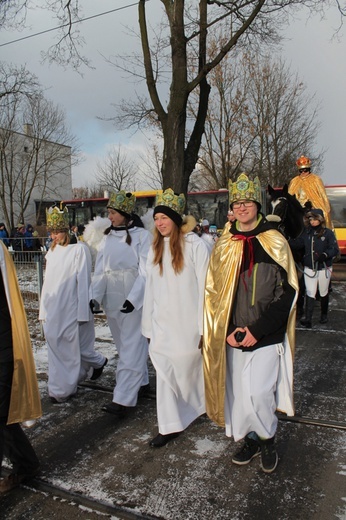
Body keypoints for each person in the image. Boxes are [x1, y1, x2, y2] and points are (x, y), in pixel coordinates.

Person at [203, 173, 299, 473]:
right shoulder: (225, 244)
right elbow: (215, 294)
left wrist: (257, 330)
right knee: (241, 396)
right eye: (237, 203)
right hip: (232, 335)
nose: (242, 208)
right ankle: (252, 438)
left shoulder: (274, 242)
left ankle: (267, 437)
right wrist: (224, 331)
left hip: (266, 335)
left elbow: (289, 294)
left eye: (247, 202)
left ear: (257, 205)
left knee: (259, 392)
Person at [142, 188, 210, 448]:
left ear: (175, 219)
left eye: (164, 218)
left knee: (187, 369)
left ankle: (199, 405)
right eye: (156, 219)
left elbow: (206, 287)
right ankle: (169, 425)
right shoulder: (155, 248)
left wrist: (204, 326)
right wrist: (148, 324)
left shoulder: (195, 245)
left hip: (188, 324)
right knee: (164, 370)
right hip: (162, 325)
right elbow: (150, 288)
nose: (159, 223)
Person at [90, 191, 152, 418]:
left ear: (125, 215)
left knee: (131, 348)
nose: (110, 216)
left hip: (131, 297)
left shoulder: (142, 237)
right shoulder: (106, 238)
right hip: (112, 299)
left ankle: (123, 398)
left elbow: (146, 272)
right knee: (123, 345)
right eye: (109, 212)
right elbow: (100, 270)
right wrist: (94, 297)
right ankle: (142, 384)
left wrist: (133, 299)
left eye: (113, 212)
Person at [39, 204, 107, 403]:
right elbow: (48, 281)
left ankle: (65, 389)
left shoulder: (78, 250)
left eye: (58, 232)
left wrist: (82, 310)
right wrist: (43, 308)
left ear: (66, 230)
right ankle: (57, 386)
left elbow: (83, 280)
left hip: (69, 305)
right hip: (53, 306)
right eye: (52, 232)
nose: (54, 236)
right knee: (54, 347)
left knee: (68, 348)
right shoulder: (52, 252)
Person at [0, 241, 41, 494]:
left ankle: (26, 464)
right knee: (3, 416)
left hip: (3, 345)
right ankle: (26, 463)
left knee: (2, 412)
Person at [289, 208, 339, 328]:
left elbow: (334, 249)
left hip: (323, 268)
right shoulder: (306, 233)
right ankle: (308, 318)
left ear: (320, 220)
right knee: (310, 292)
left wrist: (325, 255)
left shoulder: (328, 233)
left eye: (315, 219)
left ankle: (324, 314)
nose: (312, 221)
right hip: (309, 268)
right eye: (310, 219)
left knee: (323, 292)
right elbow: (297, 244)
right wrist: (285, 242)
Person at [288, 155, 332, 229]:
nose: (303, 172)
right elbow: (289, 196)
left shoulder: (316, 179)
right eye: (301, 171)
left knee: (323, 214)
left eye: (305, 170)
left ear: (309, 169)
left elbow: (322, 195)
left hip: (313, 207)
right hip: (298, 209)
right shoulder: (294, 181)